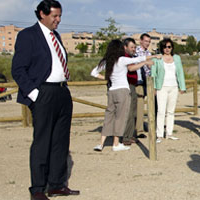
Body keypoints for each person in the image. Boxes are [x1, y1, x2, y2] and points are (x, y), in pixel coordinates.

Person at [11, 1, 80, 199]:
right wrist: (34, 94)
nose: (58, 20)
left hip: (61, 92)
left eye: (60, 16)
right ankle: (38, 189)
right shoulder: (27, 35)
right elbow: (18, 69)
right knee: (42, 142)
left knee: (61, 141)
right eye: (54, 16)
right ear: (42, 13)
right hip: (43, 93)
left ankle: (57, 184)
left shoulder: (56, 36)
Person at [91, 40, 160, 152]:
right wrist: (154, 56)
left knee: (109, 117)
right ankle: (116, 144)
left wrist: (105, 78)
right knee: (120, 118)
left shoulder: (106, 61)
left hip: (111, 91)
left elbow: (93, 72)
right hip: (122, 91)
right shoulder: (122, 60)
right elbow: (138, 59)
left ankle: (101, 143)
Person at [151, 39, 187, 143]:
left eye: (169, 47)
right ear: (162, 48)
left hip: (174, 86)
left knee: (171, 111)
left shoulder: (177, 58)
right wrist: (154, 87)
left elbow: (180, 72)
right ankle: (159, 134)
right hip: (161, 87)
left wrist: (182, 87)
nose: (167, 49)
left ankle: (169, 133)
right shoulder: (158, 58)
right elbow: (154, 73)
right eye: (165, 47)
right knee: (161, 111)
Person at [134, 33, 152, 133]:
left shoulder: (149, 53)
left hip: (147, 81)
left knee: (144, 105)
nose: (147, 43)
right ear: (140, 41)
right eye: (146, 41)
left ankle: (142, 126)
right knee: (138, 105)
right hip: (138, 81)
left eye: (149, 41)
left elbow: (150, 68)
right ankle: (138, 128)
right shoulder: (136, 51)